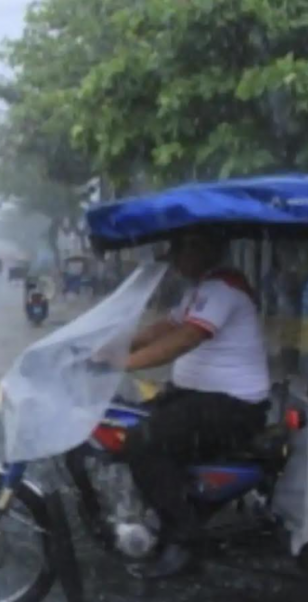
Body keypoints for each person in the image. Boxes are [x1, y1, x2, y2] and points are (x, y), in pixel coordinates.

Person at [112, 233, 271, 579]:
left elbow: (184, 340)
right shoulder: (200, 289)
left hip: (233, 407)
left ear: (202, 248)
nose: (172, 259)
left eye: (178, 250)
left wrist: (122, 363)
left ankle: (186, 541)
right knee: (124, 419)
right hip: (199, 397)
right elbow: (163, 329)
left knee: (144, 441)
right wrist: (113, 345)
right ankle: (156, 513)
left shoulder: (223, 289)